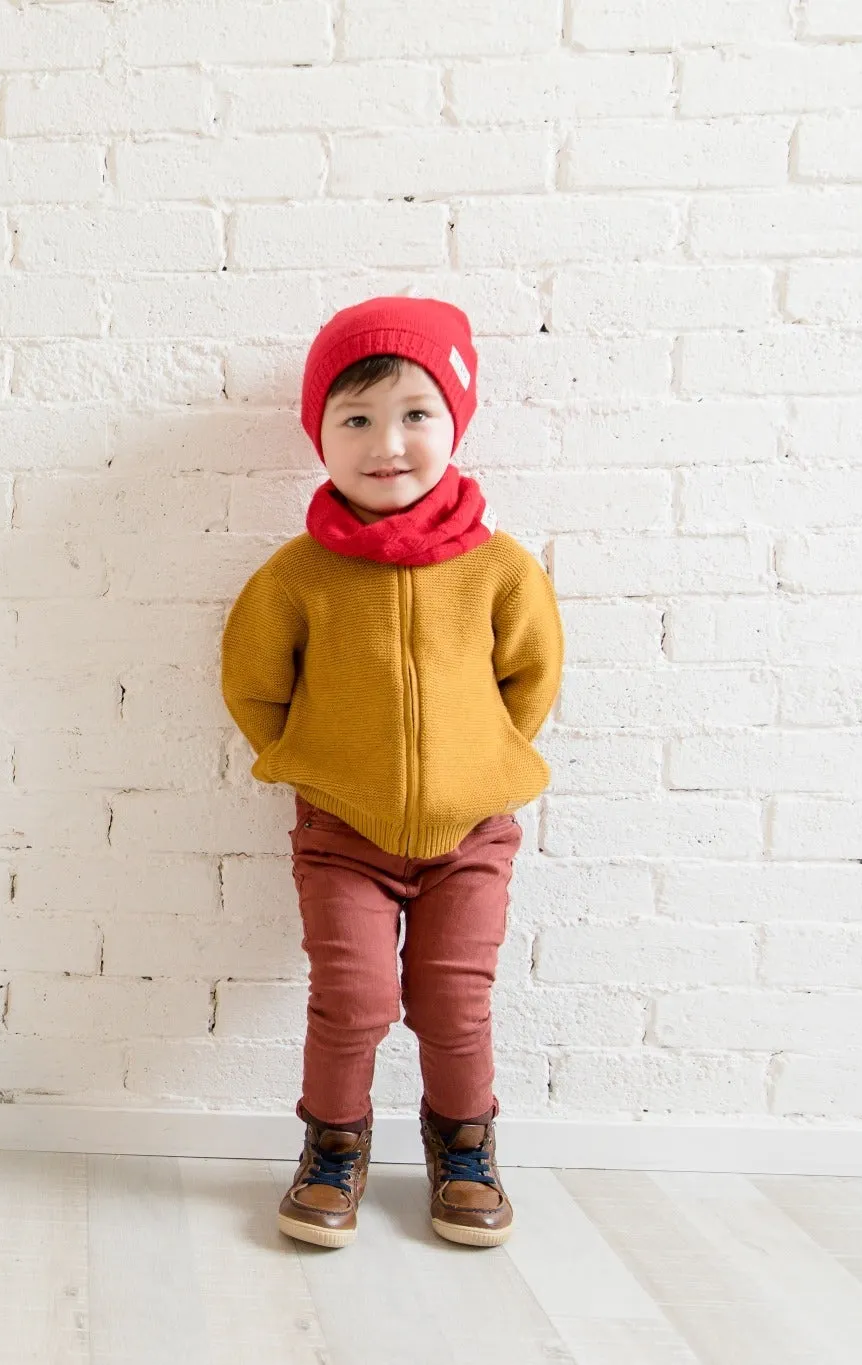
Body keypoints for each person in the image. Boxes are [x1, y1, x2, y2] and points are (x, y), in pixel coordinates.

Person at [219, 296, 563, 1249]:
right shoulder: (298, 575)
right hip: (343, 835)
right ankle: (332, 1146)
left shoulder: (498, 568)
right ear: (320, 434)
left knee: (453, 1001)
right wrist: (304, 761)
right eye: (356, 418)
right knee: (356, 999)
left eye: (417, 413)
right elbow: (254, 682)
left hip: (472, 834)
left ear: (454, 422)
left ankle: (464, 1145)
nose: (388, 442)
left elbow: (530, 676)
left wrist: (482, 762)